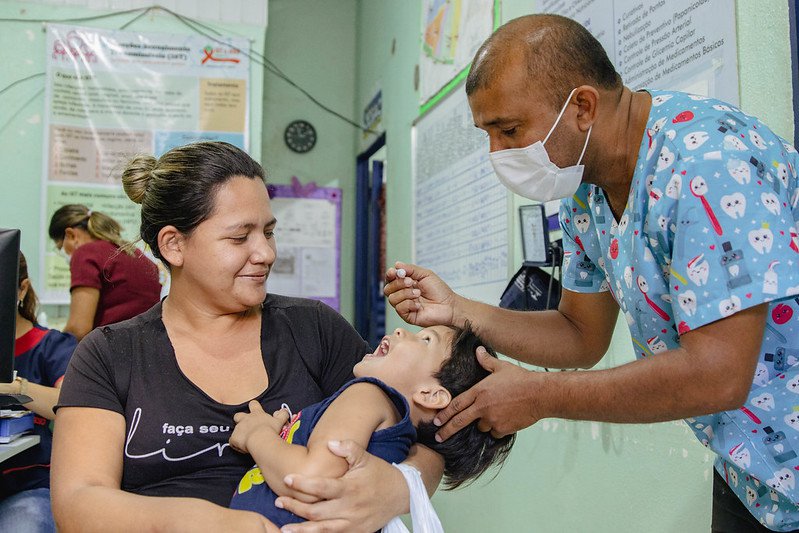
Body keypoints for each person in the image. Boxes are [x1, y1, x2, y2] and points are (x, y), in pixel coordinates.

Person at [384, 13, 799, 532]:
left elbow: (719, 372)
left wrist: (539, 395)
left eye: (509, 130)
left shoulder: (708, 160)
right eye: (487, 134)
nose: (498, 153)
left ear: (582, 106)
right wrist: (458, 311)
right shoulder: (589, 190)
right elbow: (580, 334)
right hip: (754, 476)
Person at [50, 141, 444, 533]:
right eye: (240, 238)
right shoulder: (109, 354)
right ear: (174, 244)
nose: (266, 253)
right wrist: (194, 521)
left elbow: (429, 441)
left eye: (269, 233)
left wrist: (397, 487)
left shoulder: (314, 330)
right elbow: (78, 502)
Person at [229, 325, 515, 527]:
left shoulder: (369, 394)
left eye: (425, 340)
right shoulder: (396, 437)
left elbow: (308, 480)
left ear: (430, 394)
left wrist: (258, 434)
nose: (402, 331)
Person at [0, 251, 76, 533]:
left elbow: (69, 402)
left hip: (29, 484)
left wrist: (17, 387)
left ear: (22, 288)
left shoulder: (51, 346)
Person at [48, 204, 161, 340]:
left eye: (60, 247)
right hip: (148, 346)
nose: (62, 253)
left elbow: (78, 329)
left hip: (111, 351)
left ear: (71, 235)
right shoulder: (135, 254)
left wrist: (50, 349)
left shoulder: (85, 253)